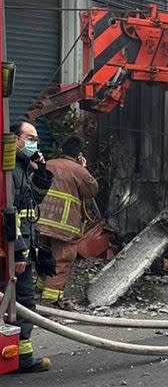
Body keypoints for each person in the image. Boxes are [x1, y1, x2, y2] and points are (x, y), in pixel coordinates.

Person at [9, 118, 55, 373]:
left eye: (36, 139)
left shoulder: (21, 168)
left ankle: (18, 353)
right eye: (30, 138)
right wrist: (17, 252)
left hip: (23, 245)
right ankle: (21, 357)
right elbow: (9, 213)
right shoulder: (9, 171)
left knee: (19, 301)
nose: (34, 143)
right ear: (14, 139)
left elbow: (32, 203)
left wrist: (41, 172)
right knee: (21, 301)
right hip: (15, 249)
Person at [36, 135, 98, 309]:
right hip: (64, 227)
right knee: (61, 261)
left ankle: (37, 294)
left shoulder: (48, 164)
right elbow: (91, 190)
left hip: (40, 223)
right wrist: (83, 168)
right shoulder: (79, 170)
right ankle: (49, 303)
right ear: (79, 154)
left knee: (43, 258)